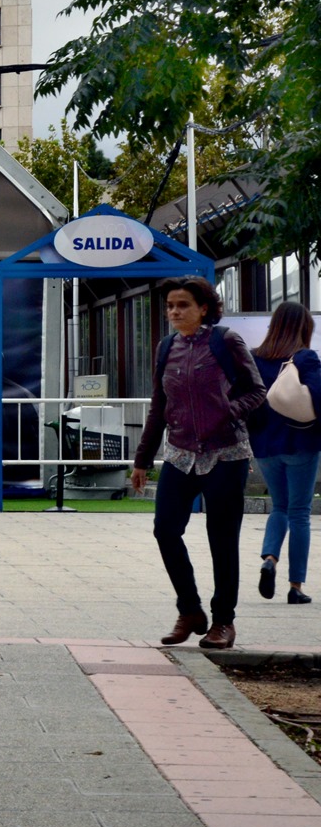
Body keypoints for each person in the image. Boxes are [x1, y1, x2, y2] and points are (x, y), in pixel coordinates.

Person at [130, 278, 267, 648]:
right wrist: (142, 460)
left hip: (226, 453)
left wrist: (229, 412)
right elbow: (159, 406)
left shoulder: (225, 342)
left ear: (203, 308)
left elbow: (256, 390)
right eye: (170, 306)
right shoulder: (166, 348)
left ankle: (224, 621)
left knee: (222, 539)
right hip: (179, 453)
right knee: (165, 529)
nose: (174, 312)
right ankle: (190, 610)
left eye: (183, 305)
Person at [249, 301, 321, 605]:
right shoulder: (305, 358)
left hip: (265, 447)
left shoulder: (254, 359)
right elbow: (318, 397)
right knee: (300, 512)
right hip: (301, 444)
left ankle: (270, 558)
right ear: (305, 328)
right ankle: (295, 586)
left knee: (278, 507)